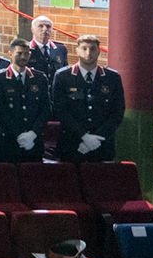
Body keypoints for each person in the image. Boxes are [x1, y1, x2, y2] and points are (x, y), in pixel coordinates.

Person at [52, 34, 124, 162]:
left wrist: (97, 137)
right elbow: (60, 110)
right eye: (84, 48)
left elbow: (117, 112)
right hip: (72, 144)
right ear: (77, 50)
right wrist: (84, 136)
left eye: (93, 49)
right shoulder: (63, 76)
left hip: (102, 145)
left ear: (99, 51)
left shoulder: (112, 78)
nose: (88, 53)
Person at [0, 38, 50, 162]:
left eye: (26, 53)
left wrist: (33, 133)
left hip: (33, 142)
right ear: (10, 53)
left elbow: (45, 109)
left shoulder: (40, 78)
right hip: (8, 142)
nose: (23, 57)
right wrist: (18, 134)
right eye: (19, 53)